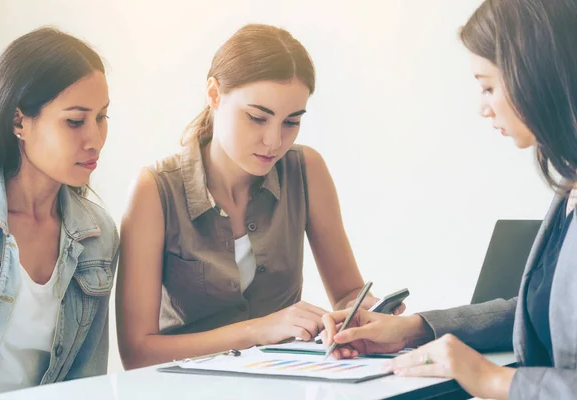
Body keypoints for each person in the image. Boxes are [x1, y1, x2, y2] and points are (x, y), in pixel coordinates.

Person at [322, 0, 577, 398]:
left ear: (537, 74)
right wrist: (416, 328)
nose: (482, 107)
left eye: (488, 86)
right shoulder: (569, 191)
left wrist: (493, 379)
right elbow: (539, 313)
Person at [116, 23, 402, 369]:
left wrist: (366, 312)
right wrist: (257, 330)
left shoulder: (306, 169)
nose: (274, 141)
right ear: (214, 94)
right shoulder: (155, 189)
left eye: (291, 122)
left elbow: (346, 294)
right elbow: (136, 352)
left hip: (286, 380)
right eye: (257, 118)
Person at [0, 27, 119, 396]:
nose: (95, 140)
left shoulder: (97, 235)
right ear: (18, 121)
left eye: (102, 118)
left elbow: (87, 378)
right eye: (75, 121)